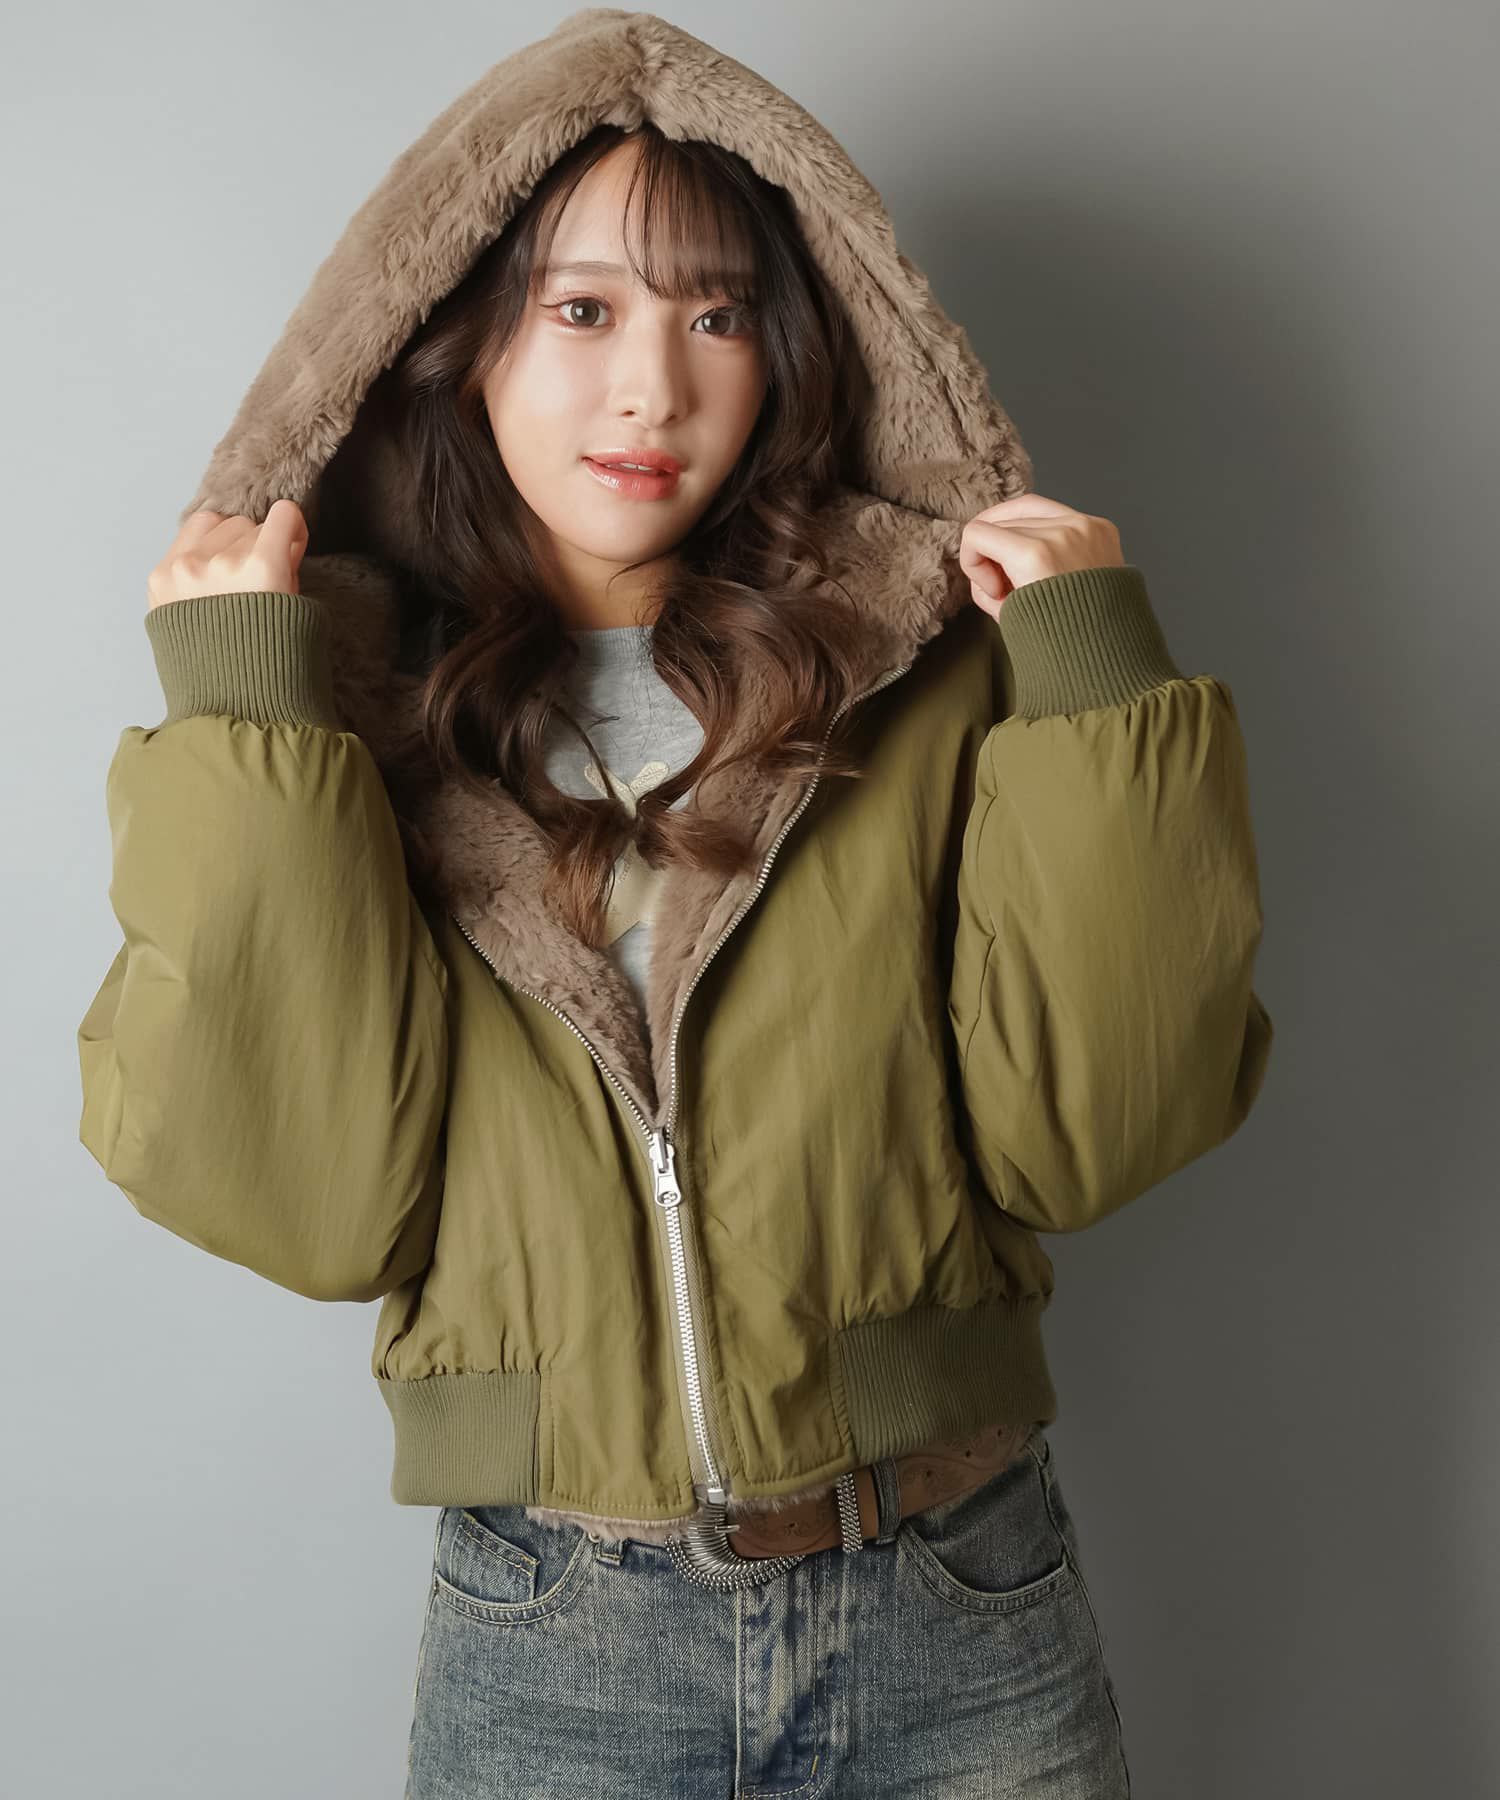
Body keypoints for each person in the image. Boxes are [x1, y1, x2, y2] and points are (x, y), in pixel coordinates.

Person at [76, 10, 1274, 1795]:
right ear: (457, 339)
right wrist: (247, 717)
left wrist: (1092, 679)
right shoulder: (346, 725)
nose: (653, 387)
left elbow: (1095, 1137)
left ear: (789, 351)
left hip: (956, 1596)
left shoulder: (929, 670)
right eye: (582, 310)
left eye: (718, 316)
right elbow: (312, 1206)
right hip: (554, 1633)